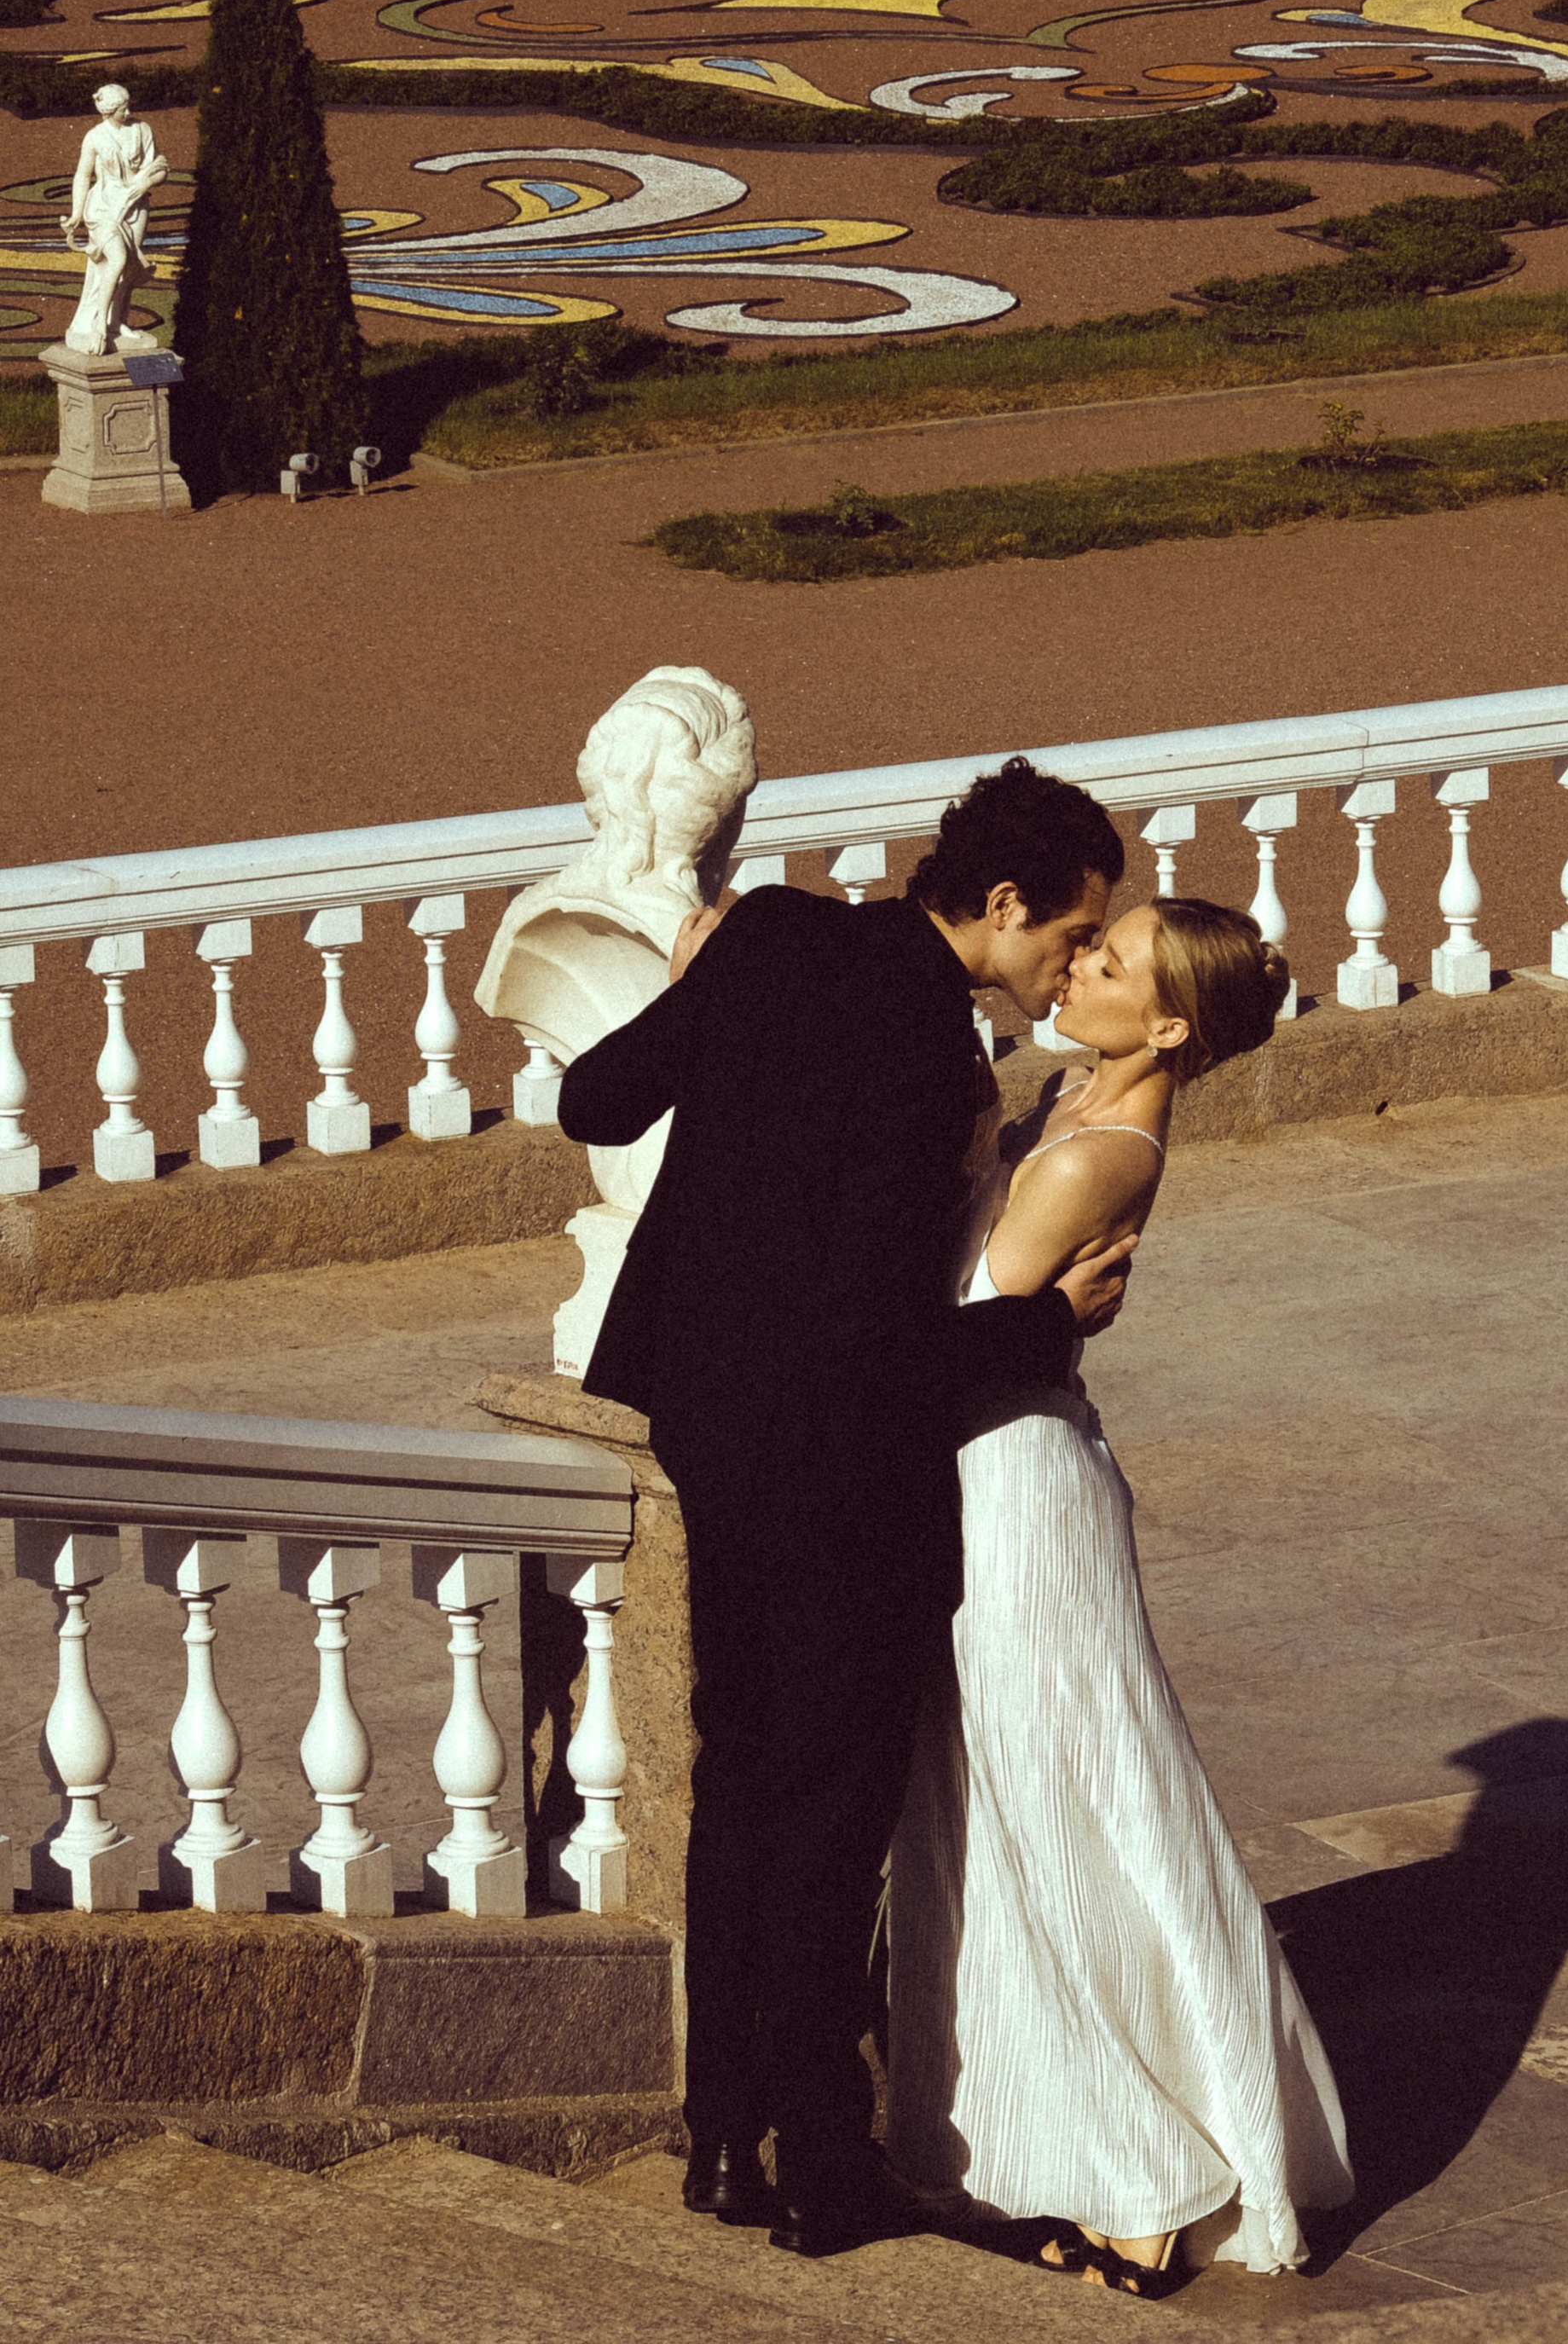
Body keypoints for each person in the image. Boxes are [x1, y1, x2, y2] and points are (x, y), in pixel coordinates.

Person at [558, 755, 1133, 2259]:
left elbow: (593, 1096)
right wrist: (1044, 1324)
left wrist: (713, 989)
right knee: (824, 1817)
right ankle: (820, 2160)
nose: (1073, 969)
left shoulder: (770, 935)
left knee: (738, 1777)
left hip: (708, 1428)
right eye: (1070, 937)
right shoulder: (934, 1060)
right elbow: (875, 1343)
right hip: (836, 1473)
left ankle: (721, 2138)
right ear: (1001, 904)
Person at [886, 896, 1355, 2296]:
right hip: (995, 1479)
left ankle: (1148, 2178)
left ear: (1165, 1024)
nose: (1077, 964)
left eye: (1110, 962)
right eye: (1090, 945)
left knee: (1067, 1811)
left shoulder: (1095, 1152)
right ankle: (1040, 2138)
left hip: (1018, 1501)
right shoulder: (1056, 1100)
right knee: (1001, 1814)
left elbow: (955, 1334)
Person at [61, 82, 166, 358]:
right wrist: (76, 213)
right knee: (117, 259)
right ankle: (97, 324)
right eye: (122, 108)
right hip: (104, 208)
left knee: (129, 269)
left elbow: (159, 167)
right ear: (108, 111)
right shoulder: (94, 137)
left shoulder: (141, 129)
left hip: (135, 207)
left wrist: (146, 184)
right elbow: (82, 176)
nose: (128, 111)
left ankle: (117, 322)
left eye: (128, 105)